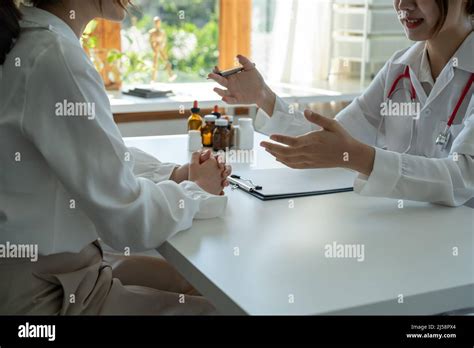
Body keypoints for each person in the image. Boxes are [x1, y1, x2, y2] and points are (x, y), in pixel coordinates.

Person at [0, 0, 231, 315]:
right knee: (221, 306)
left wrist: (175, 175)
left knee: (199, 283)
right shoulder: (54, 55)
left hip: (54, 270)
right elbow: (131, 222)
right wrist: (196, 191)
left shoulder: (27, 37)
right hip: (49, 294)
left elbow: (102, 156)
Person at [209, 0, 474, 207]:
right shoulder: (398, 68)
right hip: (405, 227)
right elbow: (332, 137)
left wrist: (361, 157)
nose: (403, 5)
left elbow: (463, 178)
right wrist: (263, 96)